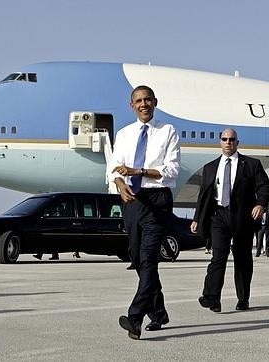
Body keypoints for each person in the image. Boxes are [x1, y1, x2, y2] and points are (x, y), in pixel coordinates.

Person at [107, 85, 180, 339]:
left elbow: (171, 171)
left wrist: (138, 172)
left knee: (148, 258)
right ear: (132, 105)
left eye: (148, 99)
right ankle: (159, 312)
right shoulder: (125, 134)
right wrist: (119, 183)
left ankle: (135, 317)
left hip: (157, 199)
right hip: (132, 200)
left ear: (155, 102)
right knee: (138, 259)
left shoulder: (168, 132)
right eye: (138, 100)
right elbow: (114, 167)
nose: (143, 104)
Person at [191, 128, 269, 313]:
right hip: (219, 216)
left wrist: (260, 204)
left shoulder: (251, 164)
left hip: (243, 217)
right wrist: (197, 218)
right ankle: (212, 297)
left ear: (237, 142)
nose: (228, 142)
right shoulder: (210, 167)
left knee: (242, 259)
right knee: (218, 257)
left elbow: (264, 185)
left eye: (232, 139)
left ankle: (243, 299)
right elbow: (203, 195)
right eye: (225, 139)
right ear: (220, 141)